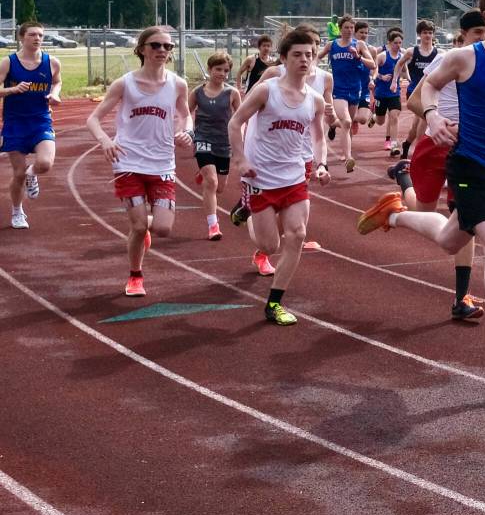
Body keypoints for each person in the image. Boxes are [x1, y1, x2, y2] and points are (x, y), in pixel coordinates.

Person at [357, 0, 485, 382]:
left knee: (451, 239)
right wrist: (431, 117)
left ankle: (392, 213)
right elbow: (425, 87)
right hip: (467, 163)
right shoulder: (465, 58)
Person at [387, 11, 485, 320]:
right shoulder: (450, 60)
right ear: (463, 35)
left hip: (470, 151)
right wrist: (436, 119)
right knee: (424, 214)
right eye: (477, 33)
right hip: (435, 144)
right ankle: (404, 179)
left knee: (465, 220)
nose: (483, 39)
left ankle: (462, 298)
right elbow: (415, 100)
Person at [228, 26, 330, 326]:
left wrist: (321, 164)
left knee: (297, 235)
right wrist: (240, 159)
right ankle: (245, 210)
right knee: (269, 246)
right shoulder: (266, 91)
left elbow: (319, 137)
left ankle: (274, 303)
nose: (304, 60)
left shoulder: (315, 100)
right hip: (260, 178)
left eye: (309, 55)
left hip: (295, 178)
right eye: (297, 55)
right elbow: (235, 123)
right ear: (283, 59)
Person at [86, 26, 193, 297]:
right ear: (142, 49)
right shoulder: (125, 83)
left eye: (167, 47)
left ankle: (145, 225)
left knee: (163, 228)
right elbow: (93, 119)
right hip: (128, 162)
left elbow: (185, 114)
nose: (162, 51)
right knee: (137, 226)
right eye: (156, 45)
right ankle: (135, 275)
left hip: (162, 163)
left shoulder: (178, 84)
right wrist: (106, 141)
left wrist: (186, 131)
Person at [0, 22, 62, 229]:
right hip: (15, 122)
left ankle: (32, 174)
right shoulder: (8, 63)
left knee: (45, 163)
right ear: (21, 37)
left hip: (40, 119)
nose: (37, 38)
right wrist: (13, 89)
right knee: (17, 173)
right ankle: (17, 212)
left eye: (41, 35)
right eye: (32, 35)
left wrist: (55, 94)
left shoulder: (51, 62)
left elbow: (57, 81)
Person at [188, 52, 241, 241]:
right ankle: (213, 225)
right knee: (211, 182)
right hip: (203, 139)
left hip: (223, 143)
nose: (222, 73)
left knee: (220, 187)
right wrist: (186, 132)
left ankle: (203, 172)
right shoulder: (197, 93)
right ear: (209, 69)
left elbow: (239, 120)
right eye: (218, 69)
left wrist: (239, 146)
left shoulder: (232, 93)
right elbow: (185, 115)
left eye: (226, 70)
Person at [318, 15, 372, 172]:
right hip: (338, 90)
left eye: (351, 28)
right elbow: (316, 58)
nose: (349, 30)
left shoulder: (359, 44)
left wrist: (358, 56)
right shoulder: (331, 45)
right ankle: (348, 157)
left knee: (348, 124)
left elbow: (372, 64)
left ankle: (334, 126)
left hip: (355, 90)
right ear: (340, 29)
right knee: (347, 122)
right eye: (346, 27)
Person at [395, 20, 439, 159]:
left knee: (417, 123)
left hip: (431, 93)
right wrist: (394, 81)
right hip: (415, 92)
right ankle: (420, 152)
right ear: (420, 34)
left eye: (430, 33)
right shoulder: (412, 52)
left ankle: (407, 144)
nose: (428, 35)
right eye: (425, 32)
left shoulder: (439, 53)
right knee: (425, 120)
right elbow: (399, 65)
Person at [373, 28, 404, 157]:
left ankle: (394, 144)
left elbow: (405, 71)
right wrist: (381, 76)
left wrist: (407, 78)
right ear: (389, 43)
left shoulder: (402, 57)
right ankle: (374, 117)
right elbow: (372, 71)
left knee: (394, 117)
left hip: (394, 93)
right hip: (381, 93)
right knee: (380, 121)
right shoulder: (382, 56)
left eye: (400, 43)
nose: (398, 45)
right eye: (395, 43)